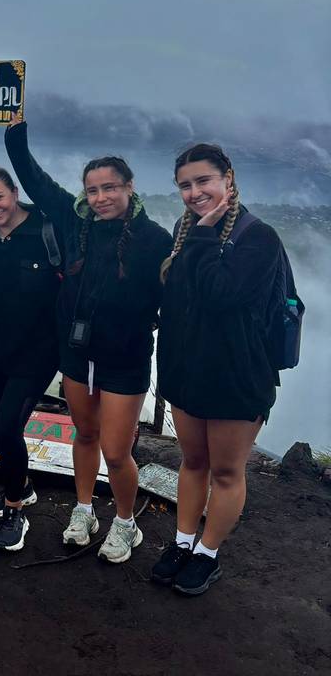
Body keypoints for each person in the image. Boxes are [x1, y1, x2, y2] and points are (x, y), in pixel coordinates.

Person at [5, 115, 172, 563]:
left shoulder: (154, 239)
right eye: (93, 190)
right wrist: (14, 130)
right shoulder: (72, 222)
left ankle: (125, 523)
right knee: (83, 435)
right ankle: (83, 511)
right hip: (77, 355)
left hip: (125, 359)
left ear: (130, 187)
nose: (101, 198)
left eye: (110, 188)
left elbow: (174, 297)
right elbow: (33, 178)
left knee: (117, 452)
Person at [152, 143, 283, 595]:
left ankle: (207, 553)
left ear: (228, 178)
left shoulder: (258, 237)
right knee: (193, 462)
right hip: (188, 374)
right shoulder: (182, 230)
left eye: (203, 181)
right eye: (185, 185)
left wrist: (205, 235)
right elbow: (178, 303)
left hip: (236, 379)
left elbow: (221, 296)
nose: (194, 192)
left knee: (226, 472)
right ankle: (183, 541)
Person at [0, 166, 61, 551]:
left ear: (14, 192)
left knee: (6, 427)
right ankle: (23, 485)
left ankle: (14, 508)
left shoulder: (45, 229)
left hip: (36, 351)